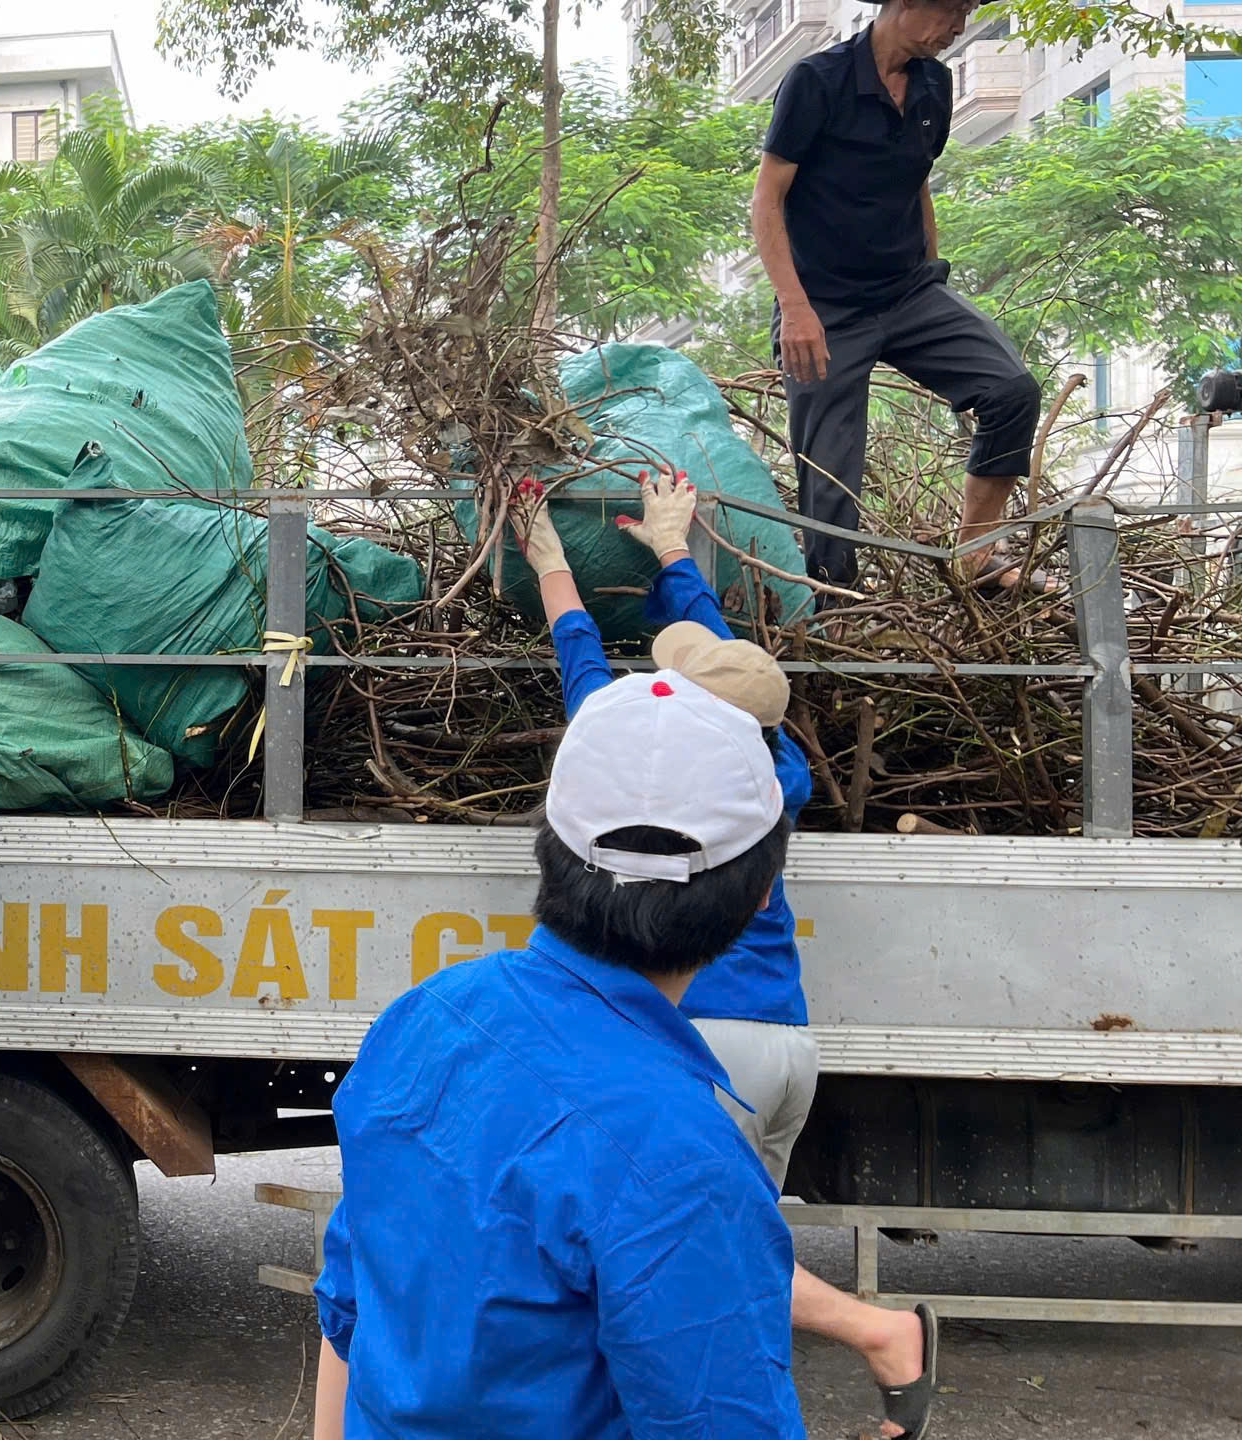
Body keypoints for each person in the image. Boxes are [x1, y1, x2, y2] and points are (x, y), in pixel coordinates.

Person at [512, 473, 937, 1439]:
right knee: (732, 1247)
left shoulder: (643, 781)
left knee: (697, 1268)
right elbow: (738, 671)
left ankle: (875, 1337)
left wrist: (548, 557)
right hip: (785, 1049)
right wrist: (673, 549)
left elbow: (583, 664)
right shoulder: (773, 768)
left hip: (707, 1050)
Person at [311, 663, 801, 1438]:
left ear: (550, 847)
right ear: (763, 889)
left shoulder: (424, 1018)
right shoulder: (683, 1161)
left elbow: (350, 1304)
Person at [753, 0, 1042, 591]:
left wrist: (934, 275)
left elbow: (917, 184)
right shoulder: (817, 81)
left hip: (910, 292)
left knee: (1011, 390)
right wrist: (795, 307)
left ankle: (977, 555)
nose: (959, 26)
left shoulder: (935, 82)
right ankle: (836, 607)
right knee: (829, 473)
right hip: (825, 306)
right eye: (953, 10)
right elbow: (767, 201)